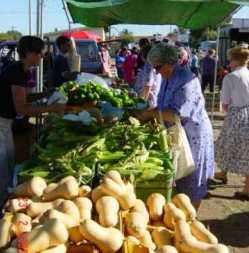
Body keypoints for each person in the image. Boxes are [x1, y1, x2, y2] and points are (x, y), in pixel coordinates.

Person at [136, 43, 214, 209]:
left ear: (169, 62)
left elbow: (175, 113)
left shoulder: (186, 81)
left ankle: (192, 218)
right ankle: (181, 212)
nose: (156, 72)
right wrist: (149, 113)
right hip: (178, 132)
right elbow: (163, 106)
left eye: (158, 67)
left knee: (192, 180)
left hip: (193, 134)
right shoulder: (167, 77)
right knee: (180, 177)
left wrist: (149, 114)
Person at [0, 36, 65, 209]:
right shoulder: (17, 71)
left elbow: (23, 98)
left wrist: (44, 95)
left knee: (9, 161)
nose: (42, 58)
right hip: (1, 122)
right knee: (4, 166)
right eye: (40, 54)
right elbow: (21, 108)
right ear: (29, 53)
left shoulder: (20, 69)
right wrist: (51, 109)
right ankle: (3, 206)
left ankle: (6, 198)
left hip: (6, 122)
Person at [215, 47, 249, 200]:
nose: (228, 62)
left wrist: (227, 112)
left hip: (236, 114)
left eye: (230, 59)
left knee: (227, 143)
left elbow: (225, 103)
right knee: (244, 148)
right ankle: (223, 173)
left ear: (234, 60)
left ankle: (247, 189)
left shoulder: (230, 77)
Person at [134, 45, 162, 109]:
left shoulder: (148, 65)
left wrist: (141, 104)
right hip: (151, 100)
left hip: (148, 102)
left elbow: (148, 86)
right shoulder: (152, 64)